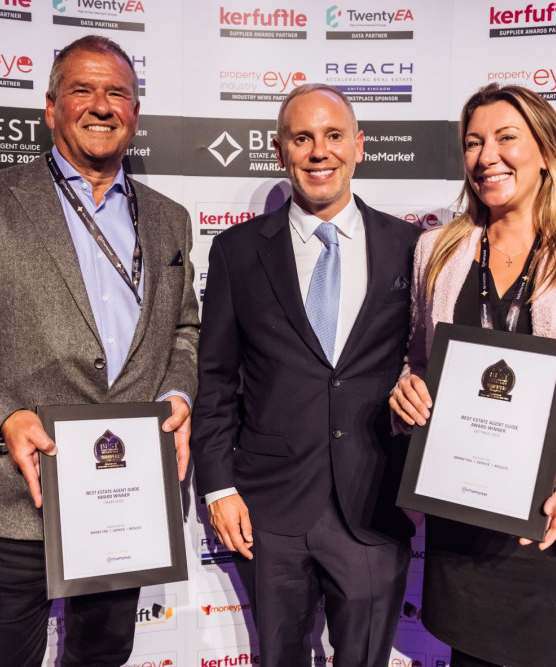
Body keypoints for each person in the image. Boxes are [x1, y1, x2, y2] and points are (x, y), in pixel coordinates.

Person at [0, 35, 199, 667]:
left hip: (124, 496)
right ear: (51, 107)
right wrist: (6, 415)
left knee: (104, 655)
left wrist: (175, 394)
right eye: (82, 90)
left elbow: (183, 331)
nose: (101, 105)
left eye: (117, 92)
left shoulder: (170, 220)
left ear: (136, 113)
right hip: (17, 496)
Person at [389, 84, 556, 667]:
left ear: (546, 150)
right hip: (463, 502)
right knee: (465, 655)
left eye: (506, 138)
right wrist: (406, 389)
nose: (487, 156)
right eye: (473, 143)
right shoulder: (438, 248)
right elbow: (418, 359)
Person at [190, 83, 421, 666]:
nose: (320, 151)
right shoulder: (237, 252)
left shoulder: (411, 248)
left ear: (360, 146)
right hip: (270, 508)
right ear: (279, 150)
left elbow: (429, 360)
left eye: (334, 135)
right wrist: (218, 486)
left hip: (373, 503)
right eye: (303, 137)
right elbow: (215, 380)